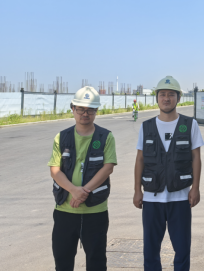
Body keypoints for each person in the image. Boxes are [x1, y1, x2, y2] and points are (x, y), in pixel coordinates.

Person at [133, 76, 204, 271]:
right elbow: (140, 159)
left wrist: (195, 188)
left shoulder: (190, 124)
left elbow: (196, 157)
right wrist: (137, 190)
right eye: (162, 94)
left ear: (178, 98)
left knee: (182, 250)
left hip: (180, 198)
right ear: (157, 98)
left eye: (171, 94)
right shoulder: (146, 126)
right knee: (150, 251)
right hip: (151, 198)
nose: (166, 98)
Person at [48, 86, 117, 271]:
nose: (85, 114)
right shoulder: (61, 137)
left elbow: (108, 167)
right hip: (65, 211)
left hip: (95, 211)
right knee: (62, 261)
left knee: (96, 262)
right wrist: (74, 190)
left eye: (90, 110)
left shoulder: (106, 137)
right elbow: (55, 170)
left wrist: (83, 192)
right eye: (81, 109)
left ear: (96, 111)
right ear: (73, 108)